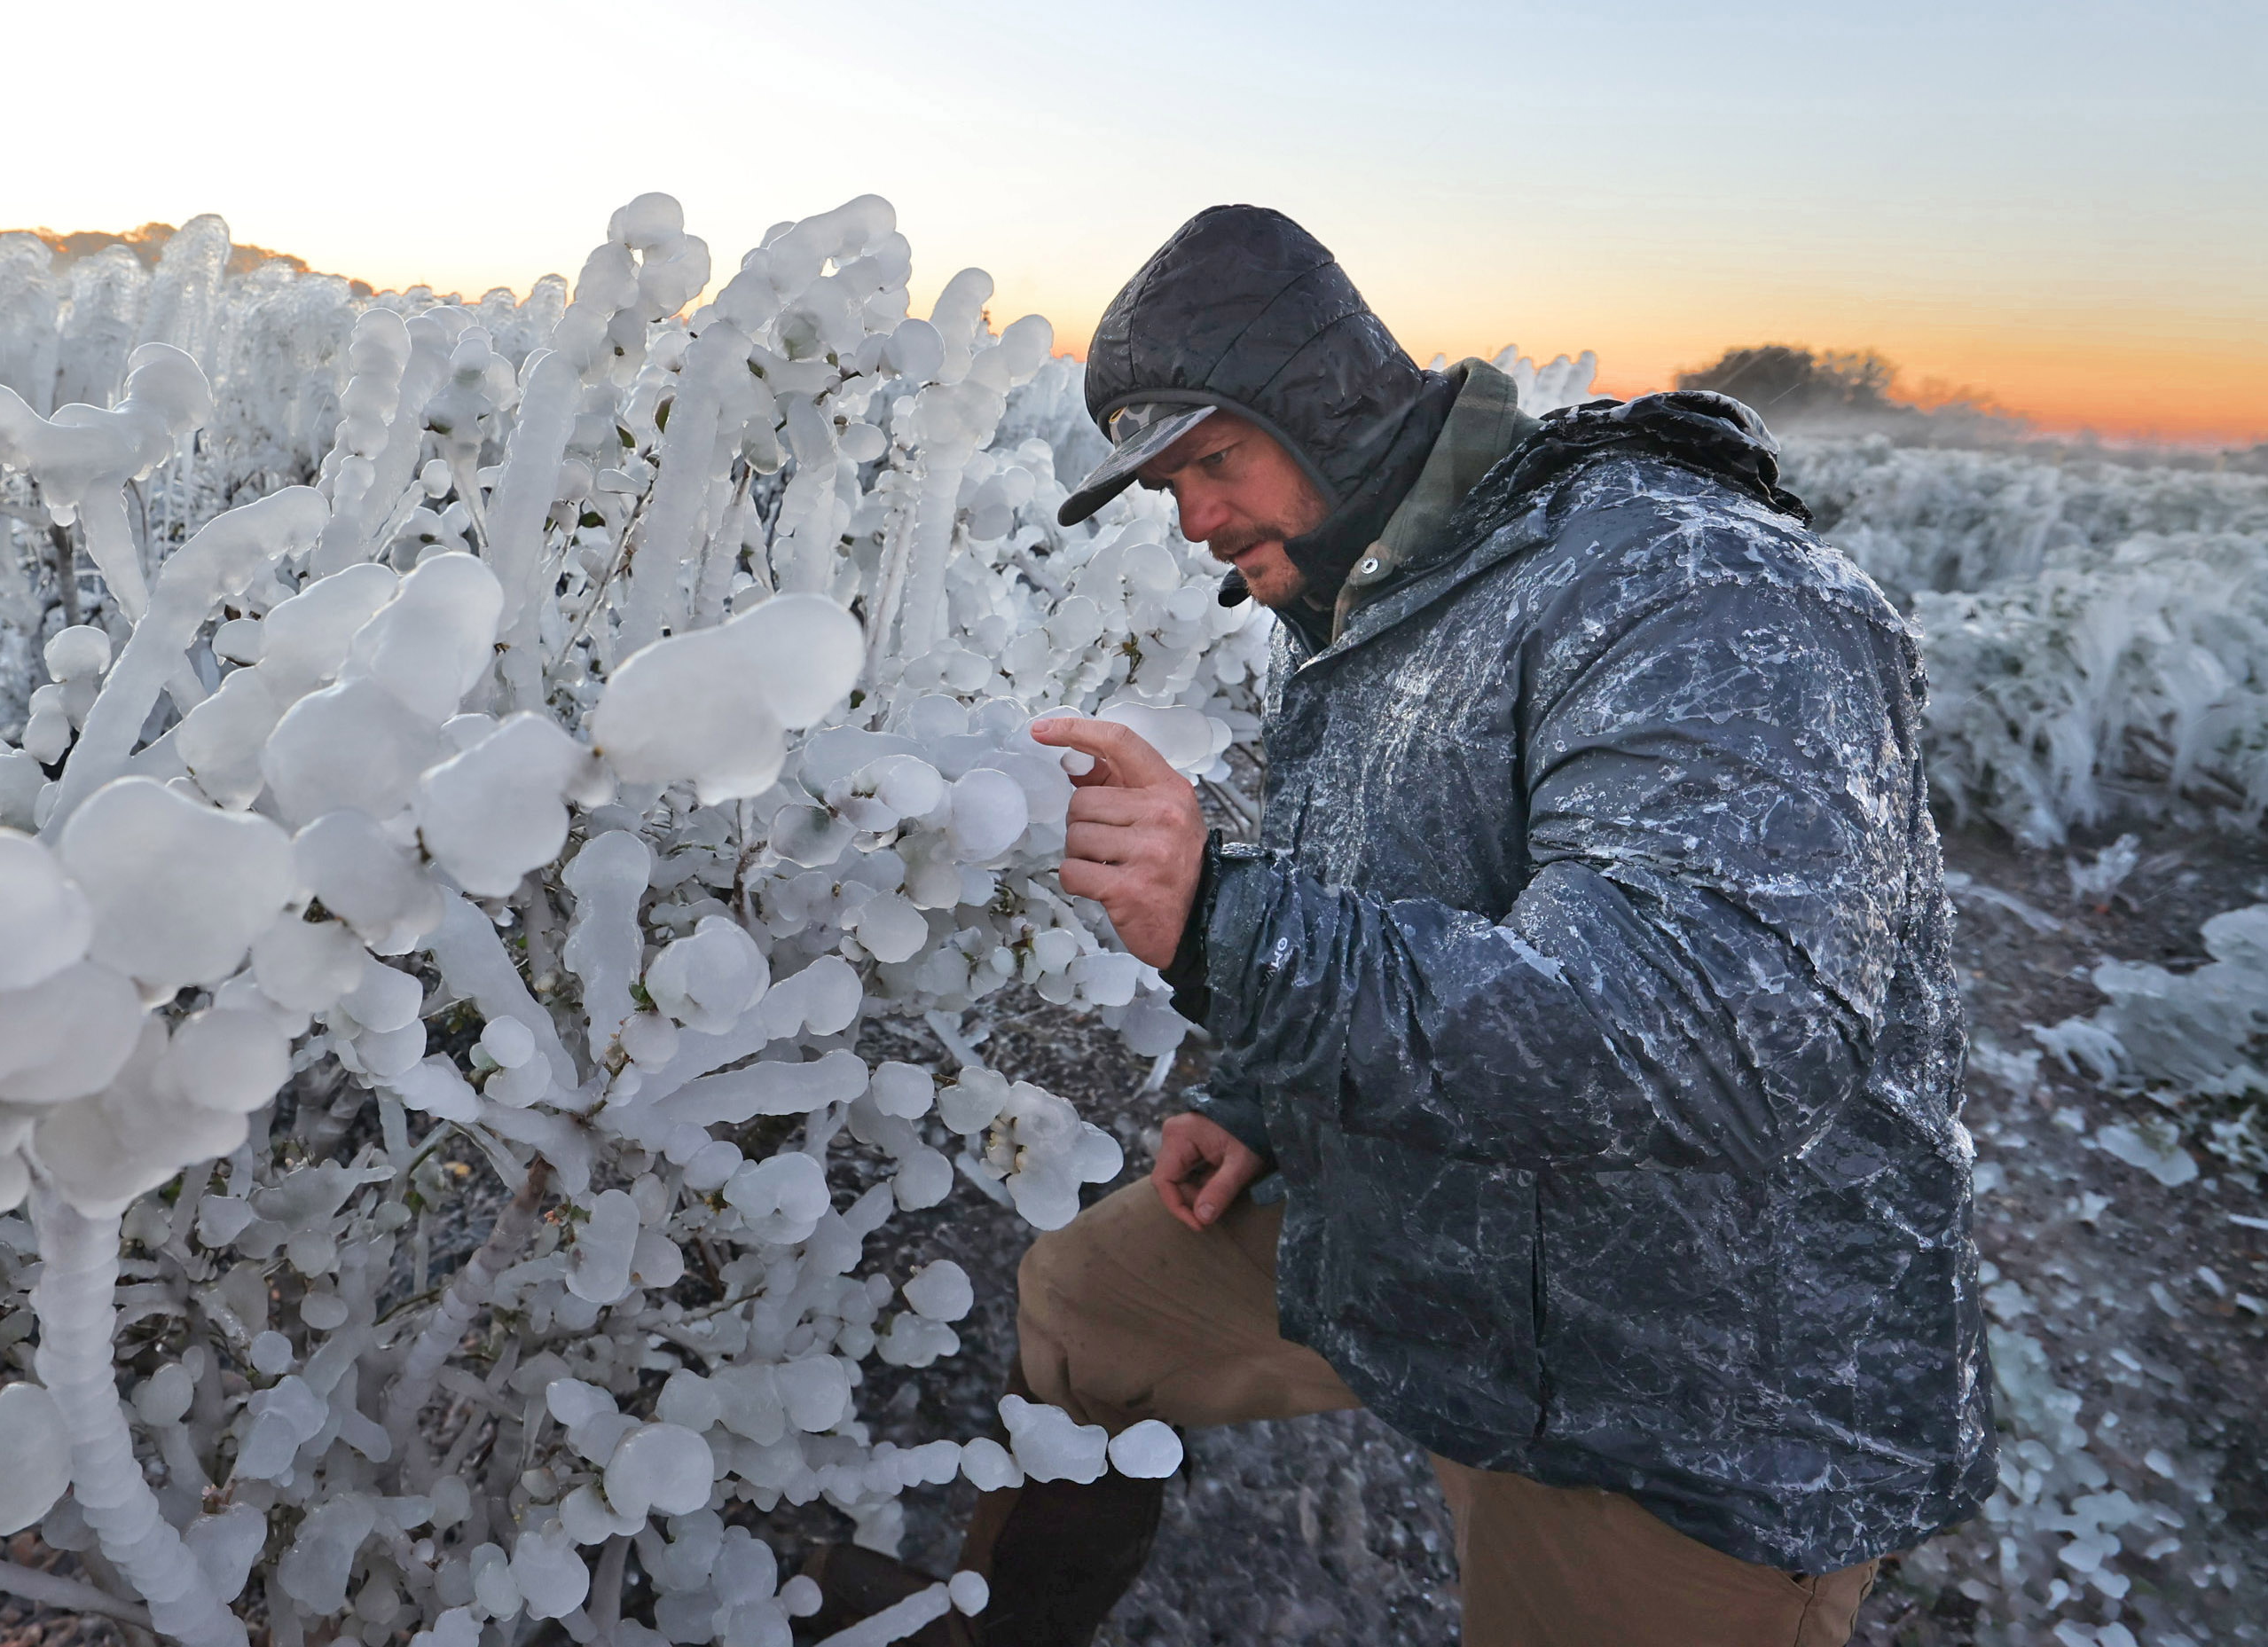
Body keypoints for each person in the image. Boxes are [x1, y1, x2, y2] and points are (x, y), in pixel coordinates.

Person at [817, 207, 1993, 1647]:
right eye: (1163, 482)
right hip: (1434, 1214)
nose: (1190, 519)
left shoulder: (1692, 586)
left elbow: (1715, 1034)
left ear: (1322, 405)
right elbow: (1417, 871)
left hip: (1684, 1381)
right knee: (1086, 1306)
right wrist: (1264, 1092)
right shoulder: (1383, 593)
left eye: (1211, 459)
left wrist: (1216, 927)